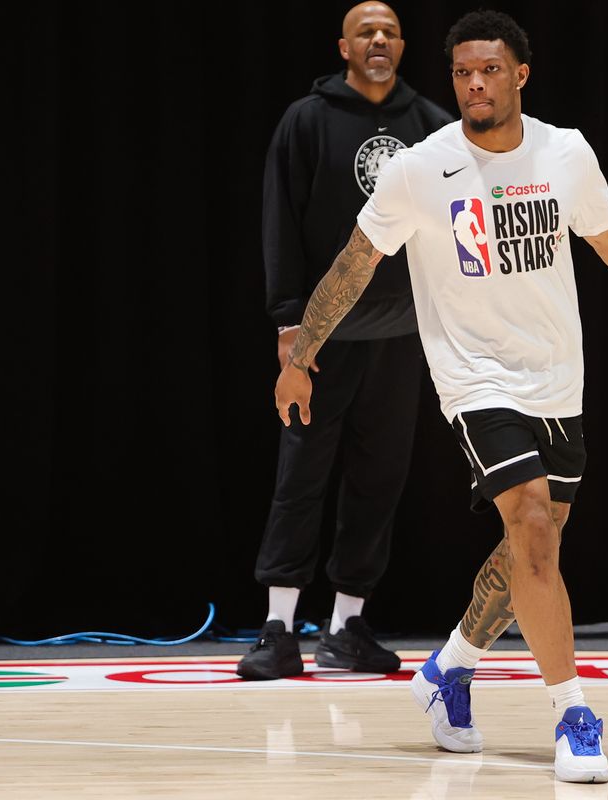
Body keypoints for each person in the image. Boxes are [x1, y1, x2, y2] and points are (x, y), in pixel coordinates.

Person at [274, 9, 608, 783]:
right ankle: (573, 714)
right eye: (463, 73)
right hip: (474, 378)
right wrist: (300, 353)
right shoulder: (419, 167)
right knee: (534, 528)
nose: (475, 84)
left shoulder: (565, 153)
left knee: (525, 555)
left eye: (489, 70)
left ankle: (450, 669)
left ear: (520, 75)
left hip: (557, 379)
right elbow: (354, 260)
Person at [239, 2, 452, 681]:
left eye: (389, 31)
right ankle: (277, 628)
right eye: (367, 31)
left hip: (399, 333)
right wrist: (289, 327)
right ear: (344, 46)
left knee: (378, 482)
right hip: (322, 336)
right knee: (300, 477)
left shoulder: (431, 129)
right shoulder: (308, 121)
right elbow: (280, 222)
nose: (380, 40)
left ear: (403, 45)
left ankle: (346, 627)